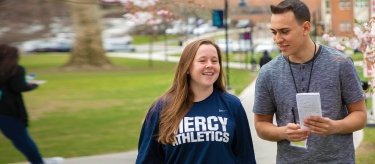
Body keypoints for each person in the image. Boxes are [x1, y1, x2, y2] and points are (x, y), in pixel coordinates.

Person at [252, 0, 367, 163]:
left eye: (284, 31)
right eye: (274, 32)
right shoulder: (268, 73)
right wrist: (284, 132)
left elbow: (360, 115)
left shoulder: (340, 64)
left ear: (306, 28)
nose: (277, 39)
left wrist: (335, 126)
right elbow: (261, 126)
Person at [136, 39, 256, 163]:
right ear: (187, 67)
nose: (209, 65)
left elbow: (246, 157)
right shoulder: (161, 108)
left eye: (214, 61)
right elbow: (147, 159)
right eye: (202, 60)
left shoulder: (232, 105)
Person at [0, 44, 63, 164]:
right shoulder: (16, 69)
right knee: (21, 138)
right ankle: (38, 162)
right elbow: (19, 87)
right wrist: (34, 85)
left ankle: (37, 160)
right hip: (8, 110)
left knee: (18, 138)